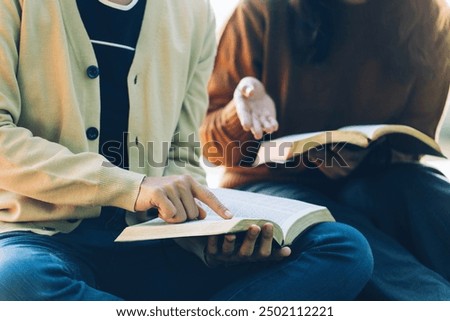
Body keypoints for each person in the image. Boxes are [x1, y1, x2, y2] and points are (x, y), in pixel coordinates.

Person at [0, 0, 373, 300]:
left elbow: (181, 154)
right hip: (41, 238)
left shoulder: (193, 12)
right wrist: (133, 187)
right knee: (14, 280)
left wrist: (208, 241)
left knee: (342, 248)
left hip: (155, 241)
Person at [201, 0, 450, 300]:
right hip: (270, 183)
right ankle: (434, 301)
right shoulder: (262, 10)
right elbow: (213, 150)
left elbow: (414, 140)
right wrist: (240, 111)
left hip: (374, 176)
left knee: (430, 199)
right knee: (351, 238)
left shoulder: (430, 23)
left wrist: (368, 156)